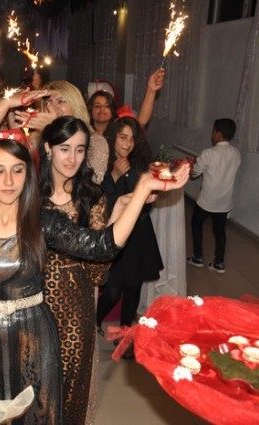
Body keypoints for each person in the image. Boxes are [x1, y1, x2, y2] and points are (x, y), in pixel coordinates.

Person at [0, 89, 190, 423]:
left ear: (28, 174)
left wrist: (143, 187)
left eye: (17, 170)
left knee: (37, 415)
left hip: (35, 336)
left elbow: (101, 246)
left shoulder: (42, 220)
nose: (8, 181)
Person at [39, 116, 111, 424]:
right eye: (64, 148)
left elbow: (98, 273)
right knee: (35, 387)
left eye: (80, 150)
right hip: (32, 306)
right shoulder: (28, 195)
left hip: (75, 310)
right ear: (48, 148)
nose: (72, 158)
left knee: (71, 388)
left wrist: (108, 234)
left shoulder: (91, 197)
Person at [96, 115, 164, 343]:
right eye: (123, 137)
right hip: (115, 234)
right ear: (113, 137)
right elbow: (101, 206)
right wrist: (114, 175)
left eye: (132, 139)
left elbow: (146, 205)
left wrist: (151, 196)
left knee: (134, 288)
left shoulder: (140, 165)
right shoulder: (101, 161)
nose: (127, 143)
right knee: (113, 290)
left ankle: (124, 335)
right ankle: (93, 321)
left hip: (140, 235)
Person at [187, 118, 241, 273]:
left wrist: (193, 166)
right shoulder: (236, 153)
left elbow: (195, 173)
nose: (212, 134)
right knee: (220, 231)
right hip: (224, 201)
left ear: (218, 133)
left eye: (213, 131)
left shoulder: (208, 153)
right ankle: (219, 263)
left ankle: (198, 257)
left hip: (207, 200)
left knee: (196, 224)